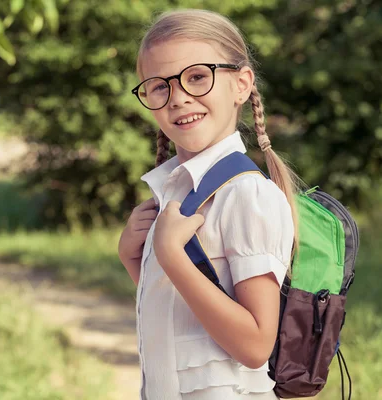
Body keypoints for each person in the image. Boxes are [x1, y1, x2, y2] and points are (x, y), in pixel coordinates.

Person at [118, 8, 299, 400]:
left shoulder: (247, 195)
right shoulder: (173, 193)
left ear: (241, 84)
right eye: (159, 86)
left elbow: (254, 346)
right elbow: (182, 316)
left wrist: (170, 254)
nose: (179, 97)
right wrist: (134, 259)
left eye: (197, 77)